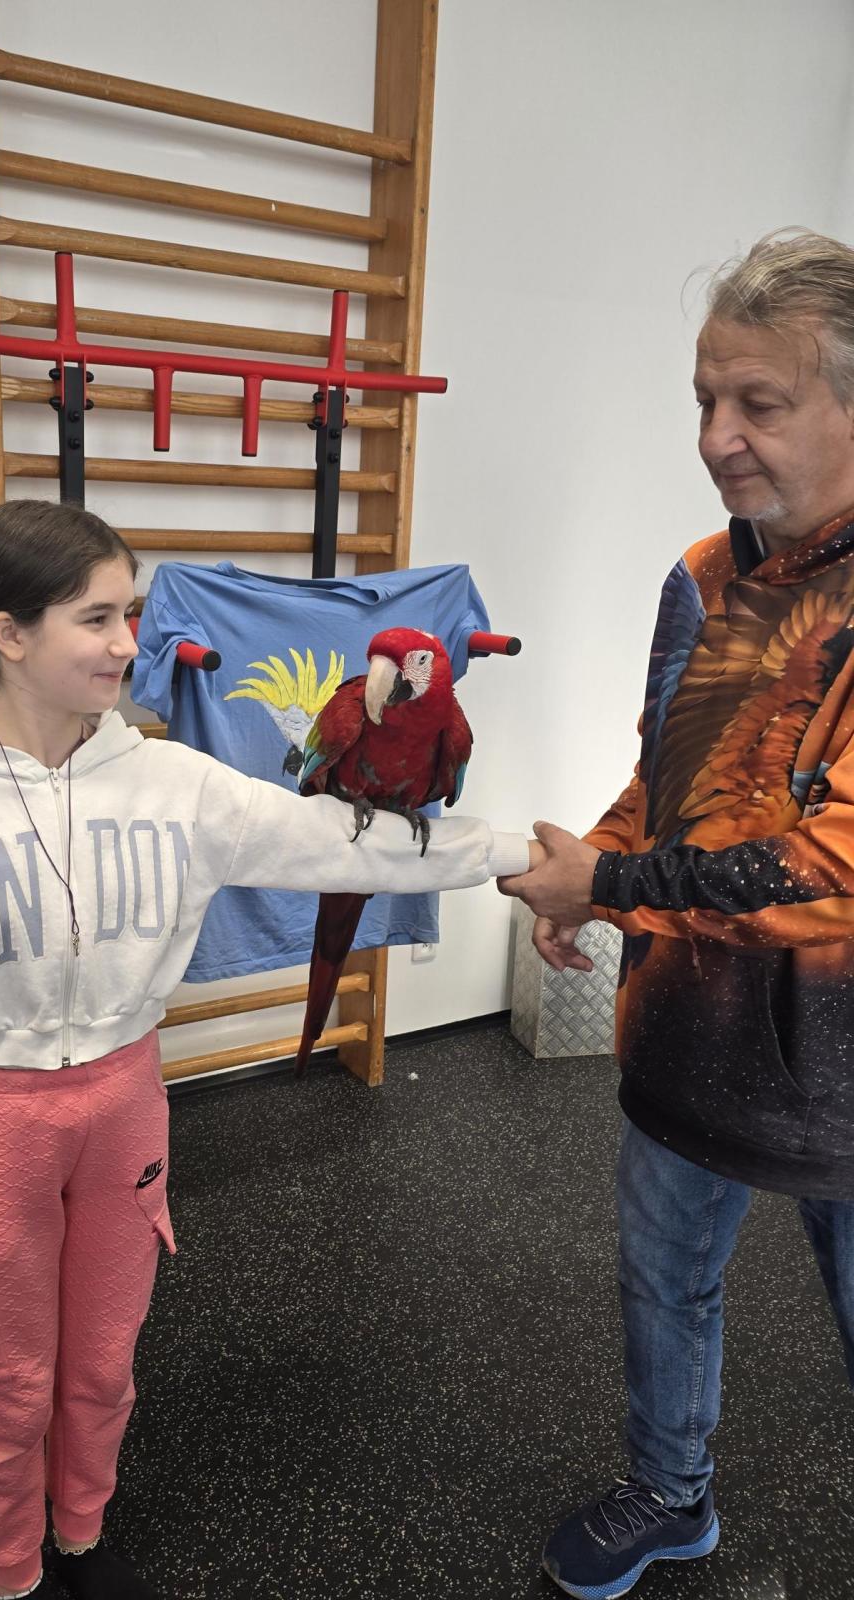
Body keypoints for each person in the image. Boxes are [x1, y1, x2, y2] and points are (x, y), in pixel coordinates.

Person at [0, 498, 535, 1600]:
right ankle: (13, 1570)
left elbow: (345, 843)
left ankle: (82, 1533)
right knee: (6, 1378)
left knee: (103, 1360)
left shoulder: (175, 783)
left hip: (124, 1107)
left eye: (130, 615)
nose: (126, 644)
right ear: (9, 634)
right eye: (96, 619)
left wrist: (521, 853)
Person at [499, 228, 854, 1600]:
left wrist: (610, 887)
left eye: (759, 402)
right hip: (688, 1035)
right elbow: (673, 770)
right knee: (663, 1280)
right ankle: (670, 1491)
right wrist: (600, 860)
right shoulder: (703, 575)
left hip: (842, 1071)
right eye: (705, 398)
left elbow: (831, 864)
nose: (715, 437)